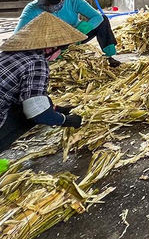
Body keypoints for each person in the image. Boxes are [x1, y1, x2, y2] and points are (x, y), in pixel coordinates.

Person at [0, 13, 85, 150]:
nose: (60, 54)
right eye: (60, 49)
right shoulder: (36, 63)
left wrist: (56, 109)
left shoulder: (10, 53)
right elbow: (37, 112)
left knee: (44, 102)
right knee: (35, 112)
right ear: (49, 48)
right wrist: (65, 120)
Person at [15, 0, 121, 67]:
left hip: (76, 36)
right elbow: (18, 35)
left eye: (55, 2)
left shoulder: (73, 0)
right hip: (51, 42)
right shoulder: (32, 9)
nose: (52, 6)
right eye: (48, 3)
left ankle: (109, 57)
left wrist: (82, 29)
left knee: (103, 20)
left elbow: (97, 17)